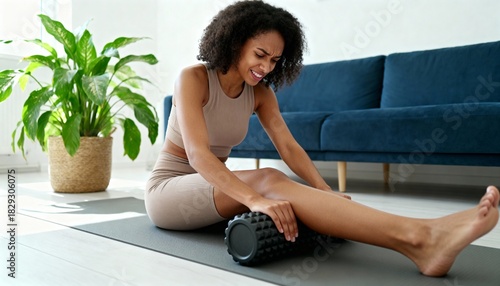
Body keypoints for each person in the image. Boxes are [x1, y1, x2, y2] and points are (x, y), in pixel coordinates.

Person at [145, 0, 499, 277]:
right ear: (235, 42)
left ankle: (425, 232)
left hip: (211, 189)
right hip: (171, 190)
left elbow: (288, 146)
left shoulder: (261, 93)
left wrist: (324, 191)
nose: (266, 67)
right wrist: (255, 199)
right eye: (260, 55)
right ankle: (420, 238)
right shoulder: (193, 78)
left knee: (289, 183)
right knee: (270, 178)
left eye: (275, 60)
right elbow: (197, 155)